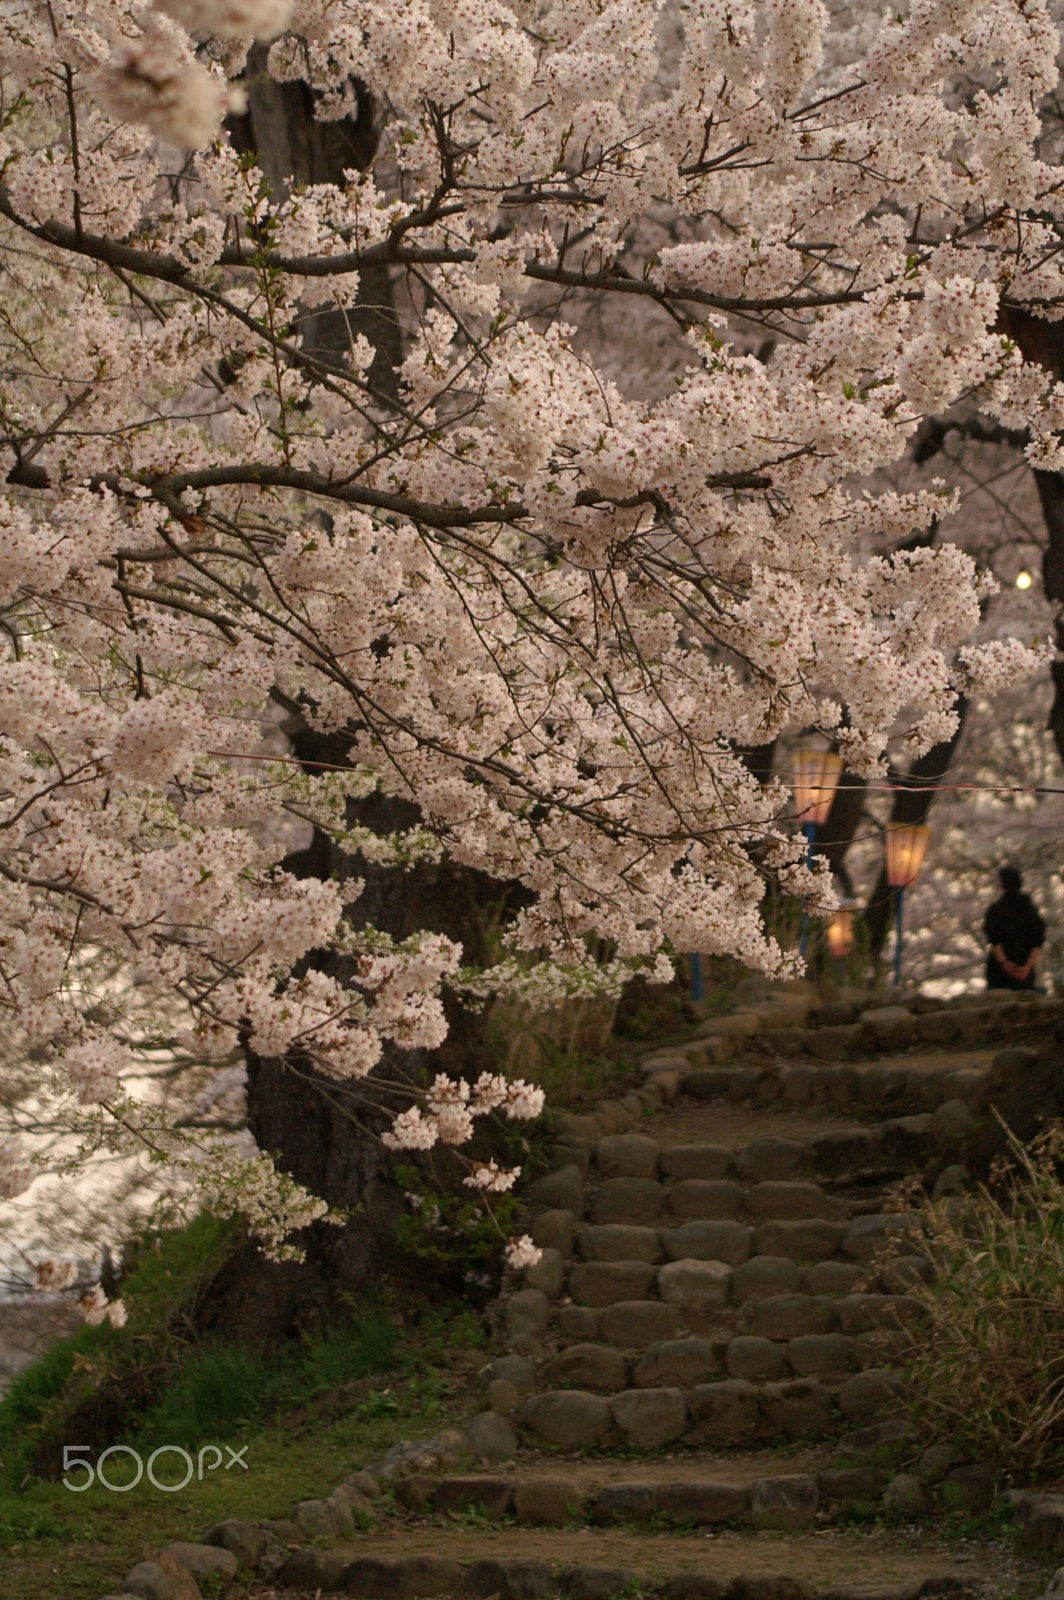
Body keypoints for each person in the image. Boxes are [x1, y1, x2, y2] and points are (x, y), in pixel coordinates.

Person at [984, 866, 1046, 990]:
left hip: (999, 973)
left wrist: (1005, 963)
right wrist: (1027, 968)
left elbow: (995, 941)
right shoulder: (1031, 910)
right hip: (1025, 970)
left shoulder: (996, 910)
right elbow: (1037, 943)